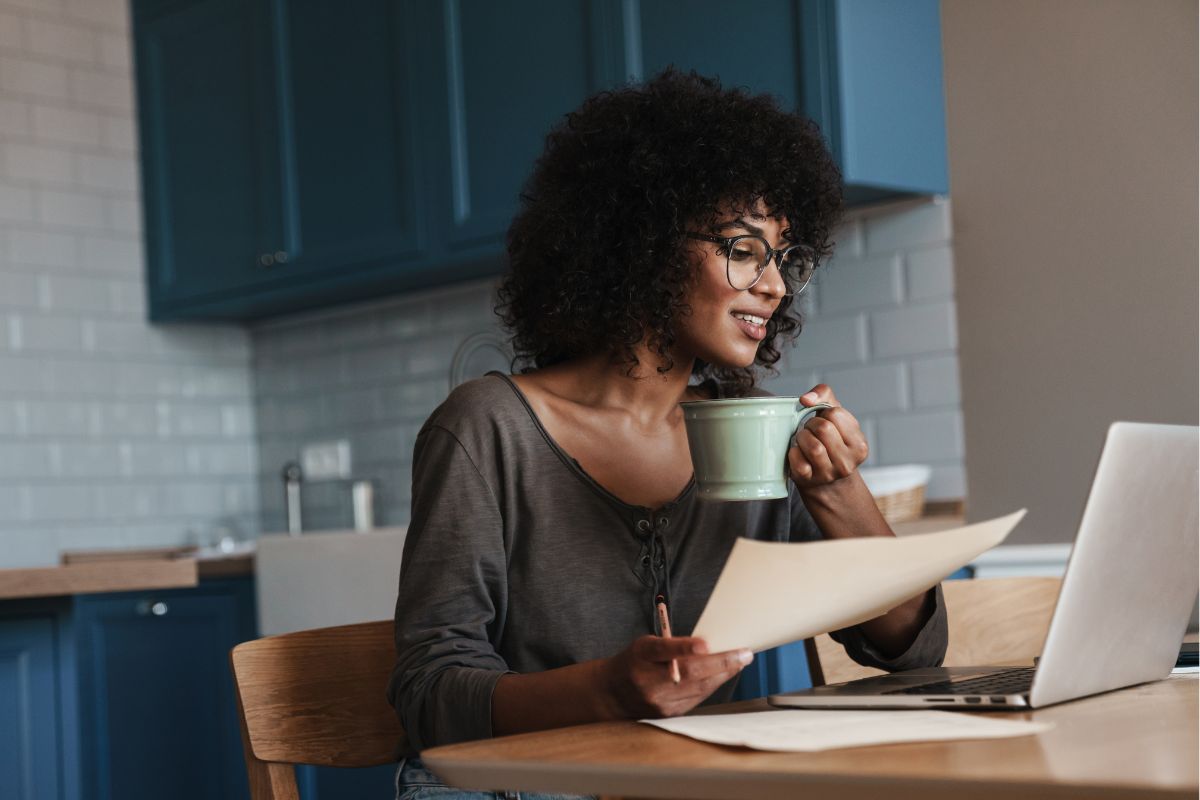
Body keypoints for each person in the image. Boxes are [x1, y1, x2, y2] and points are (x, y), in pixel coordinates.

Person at [388, 69, 947, 798]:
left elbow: (913, 649)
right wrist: (608, 693)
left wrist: (840, 493)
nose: (775, 286)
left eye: (784, 258)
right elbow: (429, 694)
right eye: (744, 250)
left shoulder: (757, 432)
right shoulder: (487, 429)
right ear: (643, 243)